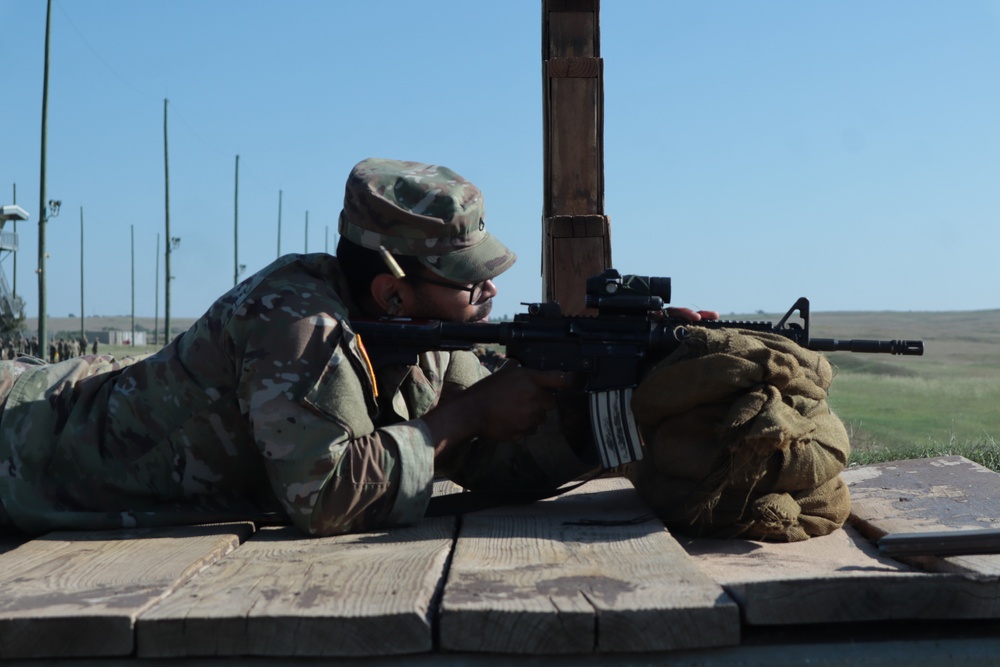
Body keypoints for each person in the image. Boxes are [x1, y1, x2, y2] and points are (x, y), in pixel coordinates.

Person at [0, 158, 714, 537]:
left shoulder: (425, 338)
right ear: (393, 294)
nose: (485, 297)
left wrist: (604, 388)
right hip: (29, 444)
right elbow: (324, 495)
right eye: (469, 284)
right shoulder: (297, 323)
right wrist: (461, 418)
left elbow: (492, 456)